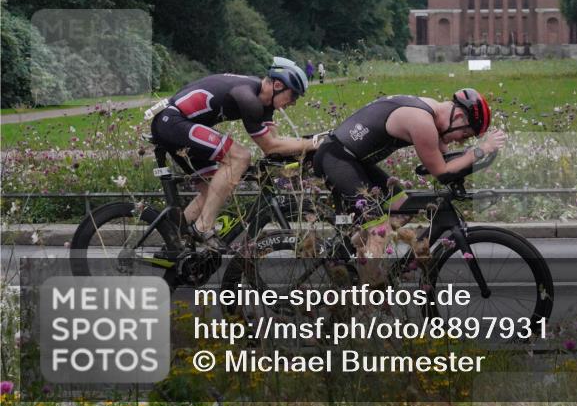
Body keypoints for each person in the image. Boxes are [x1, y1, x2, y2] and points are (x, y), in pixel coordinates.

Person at [312, 88, 506, 268]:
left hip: (354, 160)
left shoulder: (432, 112)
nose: (460, 140)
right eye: (464, 134)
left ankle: (343, 253)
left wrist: (473, 155)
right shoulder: (422, 122)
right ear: (458, 116)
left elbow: (446, 157)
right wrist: (480, 151)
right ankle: (369, 291)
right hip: (337, 159)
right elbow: (442, 172)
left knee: (402, 209)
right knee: (380, 230)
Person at [149, 57, 318, 250]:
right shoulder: (248, 98)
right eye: (293, 95)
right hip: (173, 121)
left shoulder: (264, 101)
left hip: (180, 123)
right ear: (278, 85)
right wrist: (313, 143)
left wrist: (312, 142)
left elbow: (276, 141)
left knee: (212, 190)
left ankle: (174, 242)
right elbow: (270, 147)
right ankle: (203, 227)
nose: (293, 103)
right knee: (240, 157)